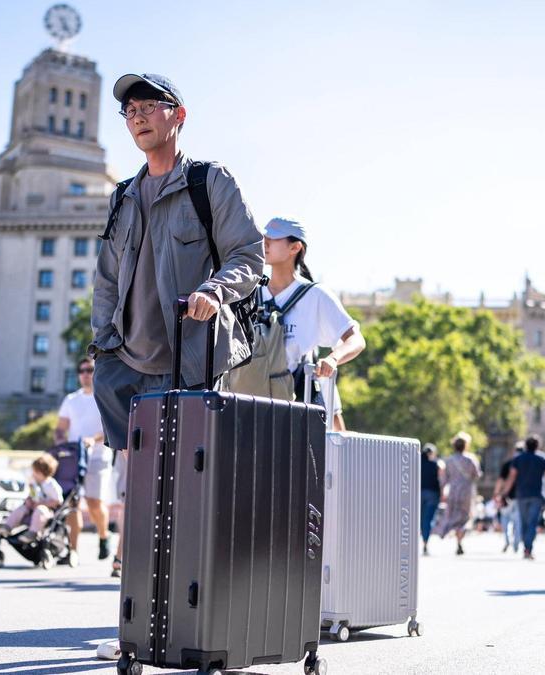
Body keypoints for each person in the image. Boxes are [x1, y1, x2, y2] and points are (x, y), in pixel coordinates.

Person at [91, 73, 263, 661]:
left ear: (178, 115)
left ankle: (183, 625)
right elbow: (107, 278)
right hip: (128, 368)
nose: (137, 116)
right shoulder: (122, 196)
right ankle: (138, 627)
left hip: (188, 363)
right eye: (129, 110)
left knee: (183, 499)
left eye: (148, 106)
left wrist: (216, 289)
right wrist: (102, 345)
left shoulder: (207, 182)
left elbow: (251, 255)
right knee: (140, 501)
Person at [259, 216, 365, 406]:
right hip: (250, 399)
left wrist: (333, 359)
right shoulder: (251, 293)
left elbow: (356, 339)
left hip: (296, 403)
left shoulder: (315, 295)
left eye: (274, 238)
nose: (265, 243)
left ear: (295, 247)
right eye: (264, 237)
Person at [55, 357, 111, 563]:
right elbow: (61, 428)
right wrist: (61, 442)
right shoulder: (71, 400)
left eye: (89, 369)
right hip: (74, 458)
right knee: (73, 503)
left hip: (98, 456)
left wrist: (92, 439)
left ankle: (104, 536)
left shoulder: (104, 397)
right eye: (82, 370)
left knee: (94, 503)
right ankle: (73, 551)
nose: (85, 373)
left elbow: (110, 429)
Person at [500, 436, 545, 560]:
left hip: (521, 495)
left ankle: (526, 546)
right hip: (537, 495)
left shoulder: (518, 459)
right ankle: (528, 547)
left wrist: (504, 492)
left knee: (524, 521)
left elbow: (511, 477)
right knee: (532, 522)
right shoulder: (542, 459)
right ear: (537, 446)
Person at [0, 454, 63, 539]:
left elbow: (57, 501)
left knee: (39, 510)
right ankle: (8, 526)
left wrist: (42, 504)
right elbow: (31, 495)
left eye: (35, 472)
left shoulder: (51, 485)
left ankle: (33, 532)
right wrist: (29, 500)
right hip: (32, 507)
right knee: (20, 509)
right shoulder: (34, 482)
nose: (32, 474)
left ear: (42, 473)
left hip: (47, 511)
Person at [440, 432, 481, 555]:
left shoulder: (449, 460)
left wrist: (443, 492)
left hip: (453, 491)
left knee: (454, 516)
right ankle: (459, 540)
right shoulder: (471, 459)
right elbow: (477, 475)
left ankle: (456, 539)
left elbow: (444, 478)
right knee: (465, 517)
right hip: (466, 491)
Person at [495, 444, 523, 554]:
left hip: (507, 497)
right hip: (520, 496)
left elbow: (501, 480)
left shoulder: (508, 463)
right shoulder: (525, 464)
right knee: (518, 522)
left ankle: (507, 541)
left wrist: (497, 493)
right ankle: (516, 543)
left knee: (505, 520)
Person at [419, 444, 444, 556]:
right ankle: (425, 542)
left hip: (419, 493)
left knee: (419, 518)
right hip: (433, 494)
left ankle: (421, 540)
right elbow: (441, 480)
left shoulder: (417, 465)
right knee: (428, 519)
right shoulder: (436, 465)